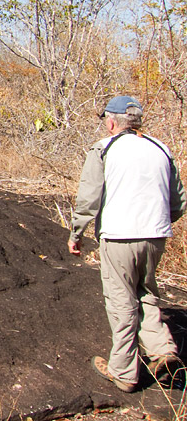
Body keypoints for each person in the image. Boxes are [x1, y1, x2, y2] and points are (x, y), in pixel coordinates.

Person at [68, 95, 186, 393]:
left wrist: (76, 233)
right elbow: (179, 201)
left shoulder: (105, 148)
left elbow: (89, 197)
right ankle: (162, 350)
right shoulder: (161, 148)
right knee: (145, 291)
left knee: (121, 300)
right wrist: (158, 221)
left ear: (111, 122)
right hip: (157, 236)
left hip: (119, 236)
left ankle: (124, 372)